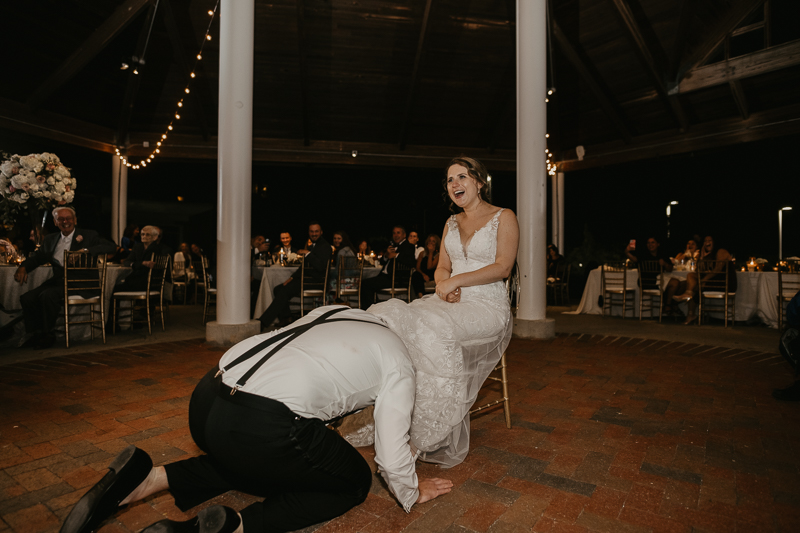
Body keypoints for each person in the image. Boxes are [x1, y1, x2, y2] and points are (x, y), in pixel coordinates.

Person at [59, 306, 453, 533]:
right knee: (352, 483)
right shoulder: (399, 358)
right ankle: (235, 527)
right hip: (262, 424)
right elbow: (389, 447)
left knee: (256, 455)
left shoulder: (333, 311)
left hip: (207, 399)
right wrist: (409, 490)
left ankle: (147, 478)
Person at [366, 156, 519, 467]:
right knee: (395, 319)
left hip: (487, 306)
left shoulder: (504, 217)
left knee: (430, 329)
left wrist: (456, 282)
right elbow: (442, 268)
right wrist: (443, 284)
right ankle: (392, 418)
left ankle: (425, 433)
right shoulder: (451, 222)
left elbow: (503, 267)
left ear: (479, 182)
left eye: (462, 177)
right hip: (449, 300)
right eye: (450, 180)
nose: (455, 184)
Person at [14, 207, 116, 349]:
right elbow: (38, 258)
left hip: (82, 284)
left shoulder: (88, 235)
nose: (65, 221)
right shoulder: (50, 239)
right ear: (55, 222)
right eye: (61, 219)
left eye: (68, 218)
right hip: (59, 282)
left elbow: (111, 247)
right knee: (27, 297)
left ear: (74, 220)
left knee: (47, 296)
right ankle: (34, 334)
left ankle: (48, 334)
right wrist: (23, 267)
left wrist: (85, 251)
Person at [258, 222, 331, 328]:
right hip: (307, 280)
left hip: (316, 282)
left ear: (321, 232)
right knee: (278, 289)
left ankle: (263, 322)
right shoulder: (312, 247)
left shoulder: (325, 246)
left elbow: (320, 266)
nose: (314, 233)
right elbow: (303, 267)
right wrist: (291, 278)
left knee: (284, 291)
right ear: (309, 232)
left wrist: (307, 253)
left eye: (316, 231)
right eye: (311, 231)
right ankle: (286, 318)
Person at [672, 235, 737, 325]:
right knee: (691, 275)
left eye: (709, 240)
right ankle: (688, 294)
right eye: (705, 241)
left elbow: (717, 270)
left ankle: (690, 313)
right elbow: (698, 271)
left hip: (725, 283)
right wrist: (701, 258)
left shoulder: (721, 251)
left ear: (714, 242)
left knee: (696, 285)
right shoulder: (707, 255)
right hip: (714, 281)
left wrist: (704, 280)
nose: (707, 242)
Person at [359, 226, 416, 310]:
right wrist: (386, 255)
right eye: (394, 233)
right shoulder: (392, 245)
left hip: (395, 279)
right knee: (365, 282)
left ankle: (368, 310)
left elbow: (411, 262)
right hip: (385, 276)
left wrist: (396, 255)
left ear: (404, 235)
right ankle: (374, 307)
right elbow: (382, 262)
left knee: (366, 284)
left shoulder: (408, 246)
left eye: (398, 232)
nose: (395, 235)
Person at [113, 226, 172, 294]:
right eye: (142, 234)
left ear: (155, 237)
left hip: (148, 282)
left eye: (147, 234)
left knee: (115, 289)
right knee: (117, 286)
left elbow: (146, 267)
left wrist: (138, 264)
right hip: (138, 280)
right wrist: (141, 263)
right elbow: (127, 262)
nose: (144, 236)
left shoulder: (157, 249)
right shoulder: (137, 247)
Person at [663, 236, 700, 315]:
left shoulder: (699, 255)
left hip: (692, 277)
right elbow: (675, 262)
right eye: (688, 244)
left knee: (688, 283)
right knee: (678, 283)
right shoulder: (681, 254)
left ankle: (672, 304)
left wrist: (694, 256)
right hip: (678, 276)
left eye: (693, 244)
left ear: (696, 246)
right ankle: (673, 304)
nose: (690, 245)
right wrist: (685, 255)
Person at [412, 234, 441, 298]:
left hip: (432, 275)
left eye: (433, 241)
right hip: (422, 275)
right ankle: (420, 296)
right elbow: (418, 268)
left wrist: (431, 252)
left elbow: (429, 267)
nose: (430, 242)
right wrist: (423, 275)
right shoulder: (422, 253)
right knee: (416, 274)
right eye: (429, 241)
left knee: (419, 277)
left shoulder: (438, 255)